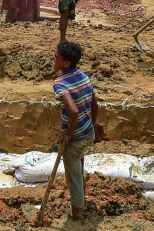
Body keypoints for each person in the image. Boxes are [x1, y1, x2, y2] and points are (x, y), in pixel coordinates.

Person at [52, 41, 102, 220]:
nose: (53, 58)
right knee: (79, 167)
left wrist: (70, 133)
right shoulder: (84, 77)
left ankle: (77, 215)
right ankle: (82, 197)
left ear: (66, 63)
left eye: (56, 56)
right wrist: (90, 126)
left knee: (72, 177)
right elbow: (95, 107)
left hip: (77, 138)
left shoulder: (60, 83)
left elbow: (73, 111)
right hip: (88, 133)